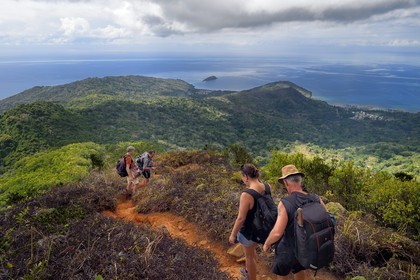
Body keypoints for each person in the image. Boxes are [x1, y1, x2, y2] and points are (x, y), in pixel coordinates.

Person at [263, 165, 326, 280]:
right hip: (307, 248)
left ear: (286, 183)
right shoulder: (316, 198)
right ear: (300, 180)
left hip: (288, 249)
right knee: (299, 269)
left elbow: (277, 232)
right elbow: (326, 217)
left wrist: (267, 244)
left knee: (281, 275)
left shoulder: (285, 203)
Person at [229, 164, 267, 280]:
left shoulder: (246, 194)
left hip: (250, 231)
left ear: (246, 177)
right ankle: (248, 270)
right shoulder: (266, 187)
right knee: (252, 251)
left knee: (249, 257)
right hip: (263, 227)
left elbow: (241, 218)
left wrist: (233, 234)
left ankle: (251, 277)